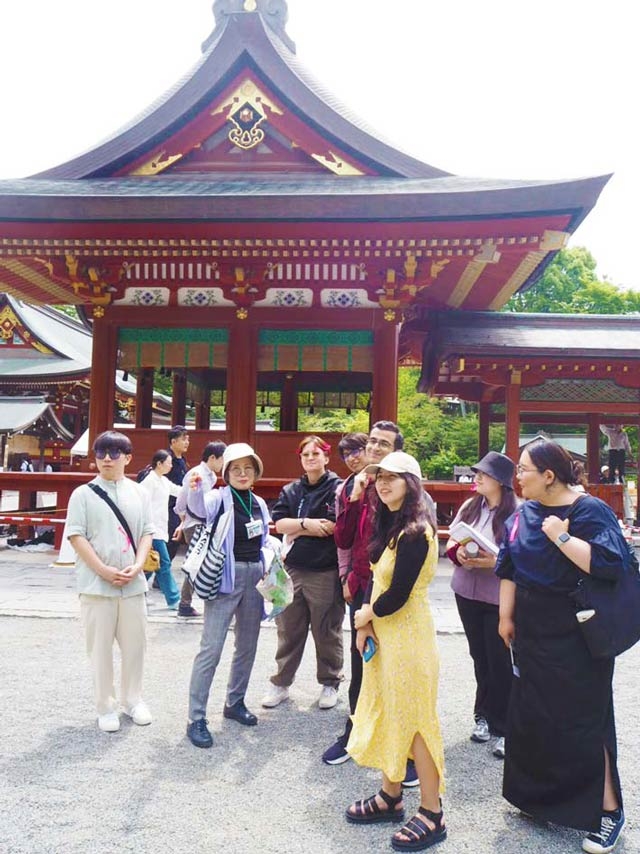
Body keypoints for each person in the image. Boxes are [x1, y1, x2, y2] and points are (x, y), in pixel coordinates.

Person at [496, 438, 628, 854]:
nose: (516, 476)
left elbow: (611, 563)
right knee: (535, 714)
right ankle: (540, 799)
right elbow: (509, 565)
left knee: (583, 718)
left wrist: (562, 539)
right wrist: (505, 616)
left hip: (576, 632)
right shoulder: (525, 512)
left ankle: (608, 811)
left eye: (523, 470)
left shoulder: (589, 510)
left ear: (549, 476)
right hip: (532, 628)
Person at [345, 451, 447, 852]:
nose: (383, 483)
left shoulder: (417, 532)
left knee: (418, 721)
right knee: (391, 712)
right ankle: (391, 794)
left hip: (410, 637)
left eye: (393, 477)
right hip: (386, 635)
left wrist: (365, 614)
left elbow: (398, 595)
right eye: (379, 477)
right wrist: (366, 623)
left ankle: (432, 812)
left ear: (412, 483)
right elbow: (375, 583)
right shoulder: (391, 527)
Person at [322, 421, 409, 772]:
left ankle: (404, 747)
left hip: (392, 589)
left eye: (383, 443)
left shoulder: (404, 490)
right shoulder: (352, 487)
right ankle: (355, 730)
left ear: (397, 452)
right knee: (362, 663)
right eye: (371, 441)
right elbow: (343, 539)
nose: (373, 448)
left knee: (396, 666)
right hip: (360, 586)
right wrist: (356, 498)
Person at [66, 430, 154, 733]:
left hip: (132, 584)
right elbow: (76, 535)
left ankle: (133, 699)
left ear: (127, 458)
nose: (106, 458)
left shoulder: (140, 493)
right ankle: (105, 706)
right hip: (96, 585)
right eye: (101, 453)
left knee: (135, 646)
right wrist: (102, 570)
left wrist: (139, 564)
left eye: (114, 453)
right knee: (100, 649)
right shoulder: (83, 494)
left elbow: (147, 533)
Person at [186, 443, 271, 749]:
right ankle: (196, 717)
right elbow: (195, 509)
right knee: (211, 647)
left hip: (254, 576)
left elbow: (265, 539)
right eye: (236, 468)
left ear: (256, 472)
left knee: (247, 644)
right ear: (226, 472)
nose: (242, 474)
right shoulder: (216, 498)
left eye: (248, 469)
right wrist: (193, 487)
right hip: (224, 576)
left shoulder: (259, 503)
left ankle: (235, 702)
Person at [261, 435, 344, 710]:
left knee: (326, 629)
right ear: (301, 458)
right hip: (292, 569)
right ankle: (281, 683)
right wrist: (307, 523)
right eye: (305, 454)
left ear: (326, 457)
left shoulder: (338, 488)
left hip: (325, 570)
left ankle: (330, 682)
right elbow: (279, 523)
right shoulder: (291, 490)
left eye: (316, 453)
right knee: (288, 629)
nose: (310, 458)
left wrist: (296, 526)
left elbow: (333, 526)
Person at [446, 451, 518, 760]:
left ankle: (505, 726)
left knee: (501, 659)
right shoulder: (469, 506)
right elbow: (451, 539)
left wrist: (495, 561)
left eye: (483, 474)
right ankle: (483, 716)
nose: (477, 478)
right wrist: (458, 554)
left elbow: (519, 557)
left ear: (501, 481)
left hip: (497, 595)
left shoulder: (518, 512)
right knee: (479, 656)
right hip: (466, 591)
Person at [174, 440, 227, 617]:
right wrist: (183, 518)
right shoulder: (198, 474)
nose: (223, 464)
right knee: (198, 562)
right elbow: (183, 499)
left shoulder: (208, 474)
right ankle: (185, 603)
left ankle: (186, 603)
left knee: (199, 561)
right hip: (196, 523)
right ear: (212, 457)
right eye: (222, 460)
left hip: (199, 523)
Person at [138, 449, 182, 610]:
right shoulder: (149, 481)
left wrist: (193, 486)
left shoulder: (163, 481)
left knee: (151, 564)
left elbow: (178, 491)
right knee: (163, 563)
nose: (171, 466)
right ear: (159, 463)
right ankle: (174, 599)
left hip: (160, 529)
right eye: (168, 463)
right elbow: (140, 502)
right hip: (152, 529)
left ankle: (138, 593)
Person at [166, 425, 190, 560]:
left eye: (187, 439)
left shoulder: (182, 459)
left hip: (179, 506)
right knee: (170, 542)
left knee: (174, 544)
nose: (187, 442)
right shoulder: (167, 458)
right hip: (168, 507)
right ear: (173, 442)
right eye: (183, 439)